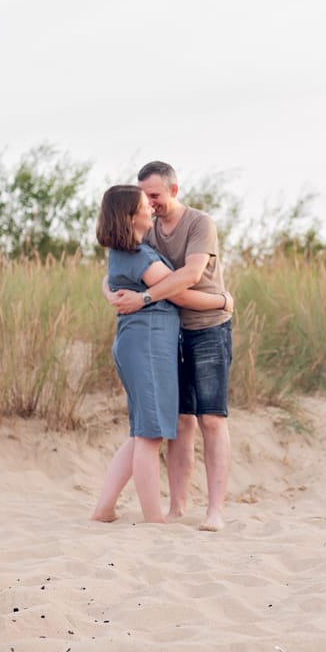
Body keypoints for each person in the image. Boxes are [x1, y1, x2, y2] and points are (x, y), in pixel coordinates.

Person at [90, 185, 232, 524]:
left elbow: (110, 281)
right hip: (147, 343)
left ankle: (104, 508)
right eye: (143, 204)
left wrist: (112, 292)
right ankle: (154, 519)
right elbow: (179, 293)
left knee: (142, 432)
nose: (150, 209)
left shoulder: (129, 250)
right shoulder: (139, 256)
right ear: (130, 216)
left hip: (141, 341)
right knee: (151, 436)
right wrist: (222, 302)